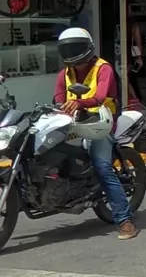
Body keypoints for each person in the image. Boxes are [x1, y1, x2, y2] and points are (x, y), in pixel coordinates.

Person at [52, 27, 138, 240]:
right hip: (75, 122)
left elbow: (100, 97)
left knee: (102, 167)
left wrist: (79, 103)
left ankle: (125, 220)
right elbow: (57, 97)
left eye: (76, 48)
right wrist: (59, 106)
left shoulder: (103, 68)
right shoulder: (65, 73)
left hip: (101, 122)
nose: (73, 55)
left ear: (87, 47)